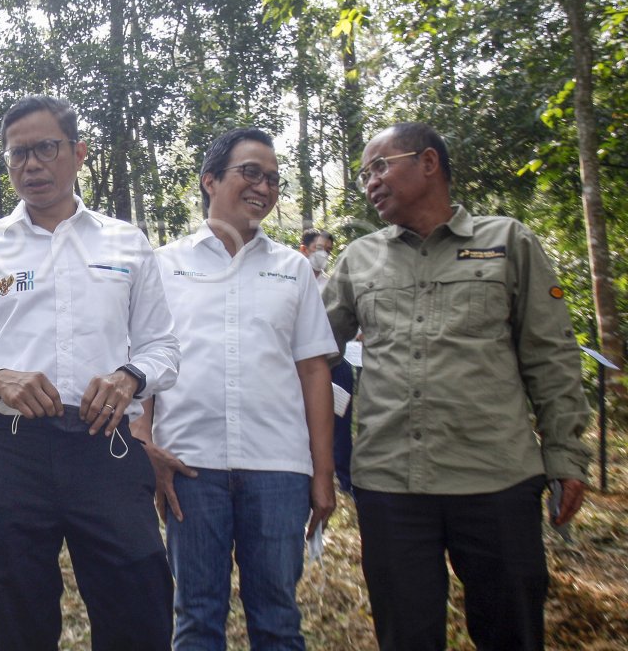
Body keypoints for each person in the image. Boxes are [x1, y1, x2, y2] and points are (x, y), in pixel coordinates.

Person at [322, 122, 590, 650]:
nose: (370, 182)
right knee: (406, 635)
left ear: (428, 163)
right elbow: (312, 353)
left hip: (495, 480)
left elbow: (550, 355)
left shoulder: (508, 242)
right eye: (363, 174)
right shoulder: (358, 260)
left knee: (511, 631)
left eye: (379, 165)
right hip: (391, 485)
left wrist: (565, 455)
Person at [0, 95, 181, 651]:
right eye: (18, 154)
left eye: (46, 148)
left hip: (106, 448)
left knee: (139, 609)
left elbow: (164, 347)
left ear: (78, 153)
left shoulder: (127, 243)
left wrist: (129, 377)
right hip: (8, 450)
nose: (31, 165)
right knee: (19, 616)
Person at [132, 128, 336, 650]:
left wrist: (323, 474)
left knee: (277, 618)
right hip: (189, 468)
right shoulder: (164, 265)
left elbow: (314, 372)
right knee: (197, 616)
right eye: (250, 172)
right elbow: (143, 364)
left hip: (279, 472)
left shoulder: (293, 269)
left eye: (272, 178)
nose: (263, 187)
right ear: (209, 180)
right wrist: (144, 445)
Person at [299, 228, 357, 496]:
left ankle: (345, 480)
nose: (323, 255)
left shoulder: (331, 286)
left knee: (340, 426)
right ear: (304, 249)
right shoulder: (290, 281)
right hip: (300, 367)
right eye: (318, 249)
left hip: (335, 366)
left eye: (328, 250)